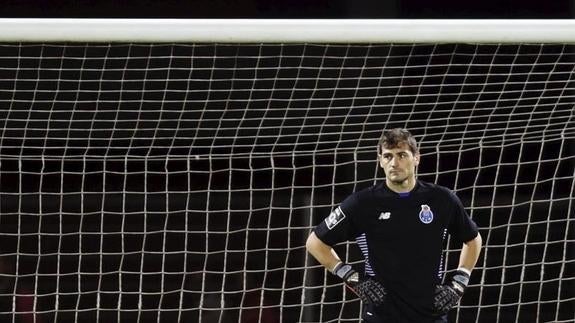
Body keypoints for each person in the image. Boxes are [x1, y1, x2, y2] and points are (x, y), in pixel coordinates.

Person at [306, 128, 482, 323]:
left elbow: (473, 239)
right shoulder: (362, 203)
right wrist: (349, 275)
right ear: (380, 161)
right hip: (381, 315)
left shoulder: (442, 199)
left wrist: (459, 282)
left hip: (431, 315)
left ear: (416, 158)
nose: (394, 163)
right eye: (388, 156)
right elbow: (315, 243)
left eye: (402, 155)